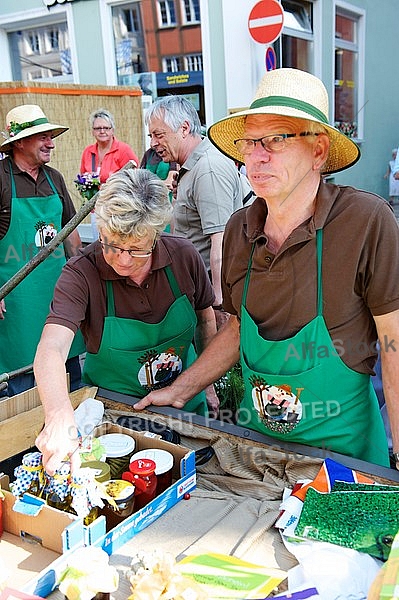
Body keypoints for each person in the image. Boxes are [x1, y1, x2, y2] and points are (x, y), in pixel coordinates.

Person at [134, 68, 399, 469]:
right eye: (250, 142)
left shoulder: (365, 221)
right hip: (259, 457)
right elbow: (239, 329)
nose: (256, 156)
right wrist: (181, 388)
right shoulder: (240, 230)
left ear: (318, 151)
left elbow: (394, 343)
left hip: (346, 461)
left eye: (275, 139)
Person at [34, 168, 218, 474]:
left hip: (185, 410)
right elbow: (51, 348)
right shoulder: (81, 274)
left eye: (136, 249)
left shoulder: (184, 257)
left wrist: (206, 383)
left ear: (157, 235)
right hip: (115, 420)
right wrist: (58, 416)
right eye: (111, 244)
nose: (122, 260)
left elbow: (205, 320)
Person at [0, 104, 83, 397]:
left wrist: (87, 278)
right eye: (42, 137)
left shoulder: (54, 178)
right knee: (22, 388)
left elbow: (71, 237)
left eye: (51, 136)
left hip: (58, 297)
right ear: (19, 143)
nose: (51, 143)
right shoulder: (0, 179)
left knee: (70, 381)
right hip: (17, 304)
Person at [144, 96, 248, 328]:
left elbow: (220, 242)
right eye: (151, 135)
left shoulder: (207, 169)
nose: (153, 143)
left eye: (159, 135)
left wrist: (219, 305)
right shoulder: (190, 166)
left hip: (209, 298)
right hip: (195, 291)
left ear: (184, 128)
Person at [79, 108, 139, 184]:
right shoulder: (88, 152)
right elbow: (82, 178)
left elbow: (135, 178)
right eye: (98, 128)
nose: (102, 131)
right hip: (93, 196)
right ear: (92, 132)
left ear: (112, 130)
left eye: (106, 128)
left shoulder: (123, 150)